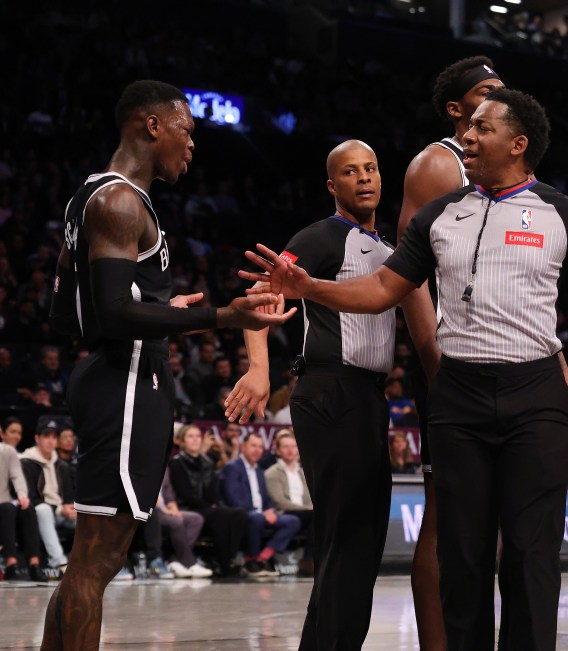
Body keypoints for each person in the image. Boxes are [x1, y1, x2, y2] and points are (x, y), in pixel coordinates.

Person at [241, 87, 568, 650]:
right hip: (458, 398)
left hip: (535, 397)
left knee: (530, 555)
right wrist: (314, 288)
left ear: (518, 144)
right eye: (468, 127)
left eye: (482, 128)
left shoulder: (563, 214)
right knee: (462, 556)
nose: (468, 137)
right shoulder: (438, 213)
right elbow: (384, 289)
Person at [42, 80, 293, 650]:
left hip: (115, 374)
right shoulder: (121, 201)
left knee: (91, 560)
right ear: (152, 125)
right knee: (96, 561)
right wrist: (221, 316)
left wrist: (153, 307)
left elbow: (66, 316)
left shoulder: (89, 195)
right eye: (187, 130)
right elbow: (109, 312)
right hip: (127, 380)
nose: (192, 145)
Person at [398, 56, 568, 650]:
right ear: (458, 111)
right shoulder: (437, 164)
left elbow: (519, 292)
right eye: (483, 95)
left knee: (506, 541)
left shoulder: (532, 198)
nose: (496, 99)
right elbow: (408, 282)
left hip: (511, 366)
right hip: (453, 365)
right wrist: (436, 366)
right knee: (453, 535)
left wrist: (559, 368)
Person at [226, 139, 439, 650]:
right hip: (329, 389)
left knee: (359, 543)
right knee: (347, 539)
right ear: (332, 185)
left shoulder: (391, 253)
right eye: (350, 171)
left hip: (366, 397)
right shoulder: (322, 237)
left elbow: (426, 334)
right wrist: (259, 369)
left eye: (371, 168)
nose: (364, 177)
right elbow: (257, 297)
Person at [167, 424, 249, 577]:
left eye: (198, 436)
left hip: (207, 507)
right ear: (181, 442)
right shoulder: (176, 463)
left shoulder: (207, 462)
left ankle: (230, 557)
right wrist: (211, 506)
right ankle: (222, 562)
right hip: (187, 506)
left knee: (239, 514)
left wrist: (212, 505)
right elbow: (185, 495)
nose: (195, 440)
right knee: (221, 515)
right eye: (190, 436)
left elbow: (212, 491)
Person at [219, 432, 302, 578]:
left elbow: (265, 498)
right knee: (256, 518)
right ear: (243, 447)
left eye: (260, 447)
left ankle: (264, 557)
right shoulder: (232, 468)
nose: (257, 450)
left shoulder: (259, 470)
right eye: (253, 446)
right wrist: (261, 513)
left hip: (261, 513)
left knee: (293, 521)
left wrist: (269, 510)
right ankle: (251, 560)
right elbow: (232, 498)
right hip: (242, 513)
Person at [21, 422, 76, 573]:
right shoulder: (26, 462)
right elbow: (30, 497)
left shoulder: (61, 464)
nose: (51, 440)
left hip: (62, 512)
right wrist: (60, 510)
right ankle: (58, 561)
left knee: (89, 514)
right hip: (40, 512)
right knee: (43, 510)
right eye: (46, 436)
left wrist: (70, 508)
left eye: (54, 437)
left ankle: (94, 563)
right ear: (37, 438)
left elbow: (69, 495)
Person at [1, 433, 45, 581]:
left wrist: (22, 495)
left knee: (27, 509)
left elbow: (17, 475)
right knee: (6, 509)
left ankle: (34, 565)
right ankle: (10, 565)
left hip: (5, 500)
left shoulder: (8, 451)